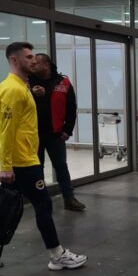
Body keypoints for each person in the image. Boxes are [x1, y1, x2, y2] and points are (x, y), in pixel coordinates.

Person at [0, 42, 87, 270]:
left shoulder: (22, 87)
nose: (34, 61)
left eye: (34, 57)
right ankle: (57, 255)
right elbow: (7, 130)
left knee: (5, 206)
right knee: (43, 204)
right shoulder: (13, 89)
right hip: (22, 162)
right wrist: (6, 165)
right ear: (15, 60)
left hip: (24, 158)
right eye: (29, 57)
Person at [29, 54, 86, 212]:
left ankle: (69, 199)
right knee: (36, 168)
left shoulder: (63, 82)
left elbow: (71, 108)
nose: (32, 65)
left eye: (36, 63)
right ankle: (40, 201)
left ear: (46, 65)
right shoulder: (27, 82)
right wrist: (32, 92)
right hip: (33, 135)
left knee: (61, 167)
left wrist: (68, 130)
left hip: (55, 134)